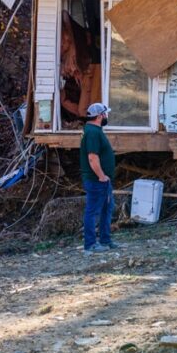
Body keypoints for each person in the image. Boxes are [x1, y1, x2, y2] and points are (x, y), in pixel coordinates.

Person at [80, 102, 120, 253]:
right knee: (93, 211)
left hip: (103, 180)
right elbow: (92, 157)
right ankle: (90, 245)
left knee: (106, 210)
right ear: (100, 116)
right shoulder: (92, 132)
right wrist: (101, 176)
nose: (107, 116)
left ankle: (105, 240)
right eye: (105, 113)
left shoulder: (95, 130)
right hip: (96, 180)